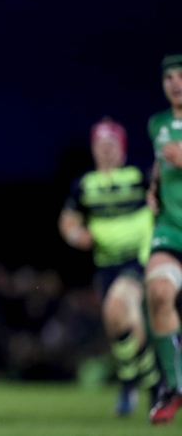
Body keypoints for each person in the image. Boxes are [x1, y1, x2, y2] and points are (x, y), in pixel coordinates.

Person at [58, 116, 162, 417]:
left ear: (122, 148)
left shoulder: (138, 175)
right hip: (106, 263)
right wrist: (77, 235)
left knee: (118, 304)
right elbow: (68, 220)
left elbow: (161, 198)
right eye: (99, 145)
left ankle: (140, 381)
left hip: (139, 258)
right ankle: (143, 379)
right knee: (119, 321)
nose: (105, 150)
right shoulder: (84, 184)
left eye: (111, 144)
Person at [144, 53, 182, 425]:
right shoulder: (158, 124)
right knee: (157, 292)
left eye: (181, 75)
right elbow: (160, 162)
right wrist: (153, 188)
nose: (175, 82)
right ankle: (173, 387)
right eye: (169, 76)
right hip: (171, 229)